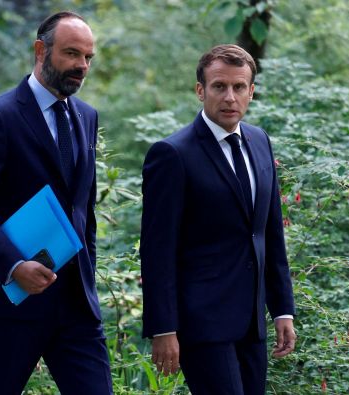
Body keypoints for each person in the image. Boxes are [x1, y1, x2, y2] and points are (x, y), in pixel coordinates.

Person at [0, 11, 112, 394]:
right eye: (72, 54)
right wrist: (13, 265)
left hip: (76, 305)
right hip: (11, 303)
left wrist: (88, 278)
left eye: (88, 57)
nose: (81, 66)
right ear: (41, 50)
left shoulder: (87, 116)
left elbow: (82, 209)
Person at [140, 44, 296, 394]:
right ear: (200, 90)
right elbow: (156, 251)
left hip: (252, 324)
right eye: (219, 86)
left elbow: (269, 233)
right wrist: (163, 328)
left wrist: (283, 309)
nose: (230, 97)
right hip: (201, 325)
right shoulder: (172, 155)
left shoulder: (259, 142)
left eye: (239, 87)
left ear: (251, 91)